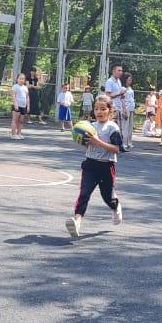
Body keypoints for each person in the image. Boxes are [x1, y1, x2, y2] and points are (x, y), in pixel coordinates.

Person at [65, 95, 123, 238]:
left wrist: (97, 141)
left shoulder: (112, 128)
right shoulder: (91, 127)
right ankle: (77, 221)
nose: (99, 112)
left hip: (106, 166)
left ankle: (115, 205)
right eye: (96, 109)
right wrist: (83, 141)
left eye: (103, 109)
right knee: (84, 193)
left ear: (110, 111)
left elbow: (117, 149)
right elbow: (88, 146)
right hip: (90, 165)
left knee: (107, 197)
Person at [10, 72, 29, 139]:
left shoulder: (25, 88)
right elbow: (13, 96)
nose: (21, 80)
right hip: (17, 106)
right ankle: (13, 134)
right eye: (20, 78)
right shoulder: (15, 86)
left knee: (21, 121)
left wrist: (28, 106)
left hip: (23, 106)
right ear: (17, 79)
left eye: (23, 79)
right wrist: (15, 104)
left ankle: (19, 133)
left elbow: (27, 97)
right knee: (15, 120)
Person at [120, 73, 136, 149]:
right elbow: (122, 99)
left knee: (130, 126)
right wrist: (124, 110)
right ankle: (124, 142)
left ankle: (129, 142)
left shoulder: (130, 88)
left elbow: (132, 98)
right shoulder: (122, 88)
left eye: (131, 79)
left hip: (131, 108)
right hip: (126, 108)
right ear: (125, 79)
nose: (130, 81)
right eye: (129, 79)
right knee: (125, 126)